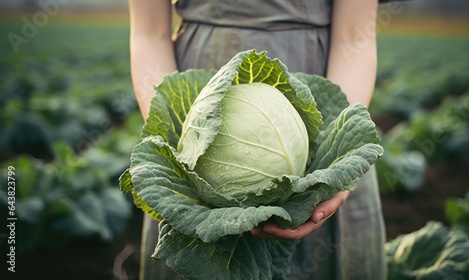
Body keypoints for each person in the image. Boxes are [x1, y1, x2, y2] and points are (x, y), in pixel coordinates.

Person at [128, 0, 385, 279]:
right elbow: (149, 33)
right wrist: (177, 131)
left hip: (325, 78)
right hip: (194, 86)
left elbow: (354, 36)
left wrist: (335, 176)